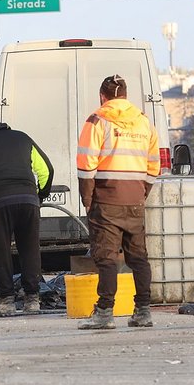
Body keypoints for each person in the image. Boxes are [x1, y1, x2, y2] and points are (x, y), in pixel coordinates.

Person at [76, 74, 161, 330]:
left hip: (106, 199)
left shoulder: (97, 120)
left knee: (107, 258)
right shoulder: (144, 122)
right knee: (139, 257)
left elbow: (86, 164)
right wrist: (141, 192)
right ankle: (143, 311)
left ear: (103, 96)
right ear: (124, 95)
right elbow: (153, 165)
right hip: (134, 199)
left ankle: (104, 313)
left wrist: (88, 199)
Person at [0, 113, 54, 316]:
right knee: (30, 249)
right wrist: (39, 197)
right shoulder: (23, 138)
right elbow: (47, 170)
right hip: (28, 200)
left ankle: (6, 301)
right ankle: (32, 299)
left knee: (1, 252)